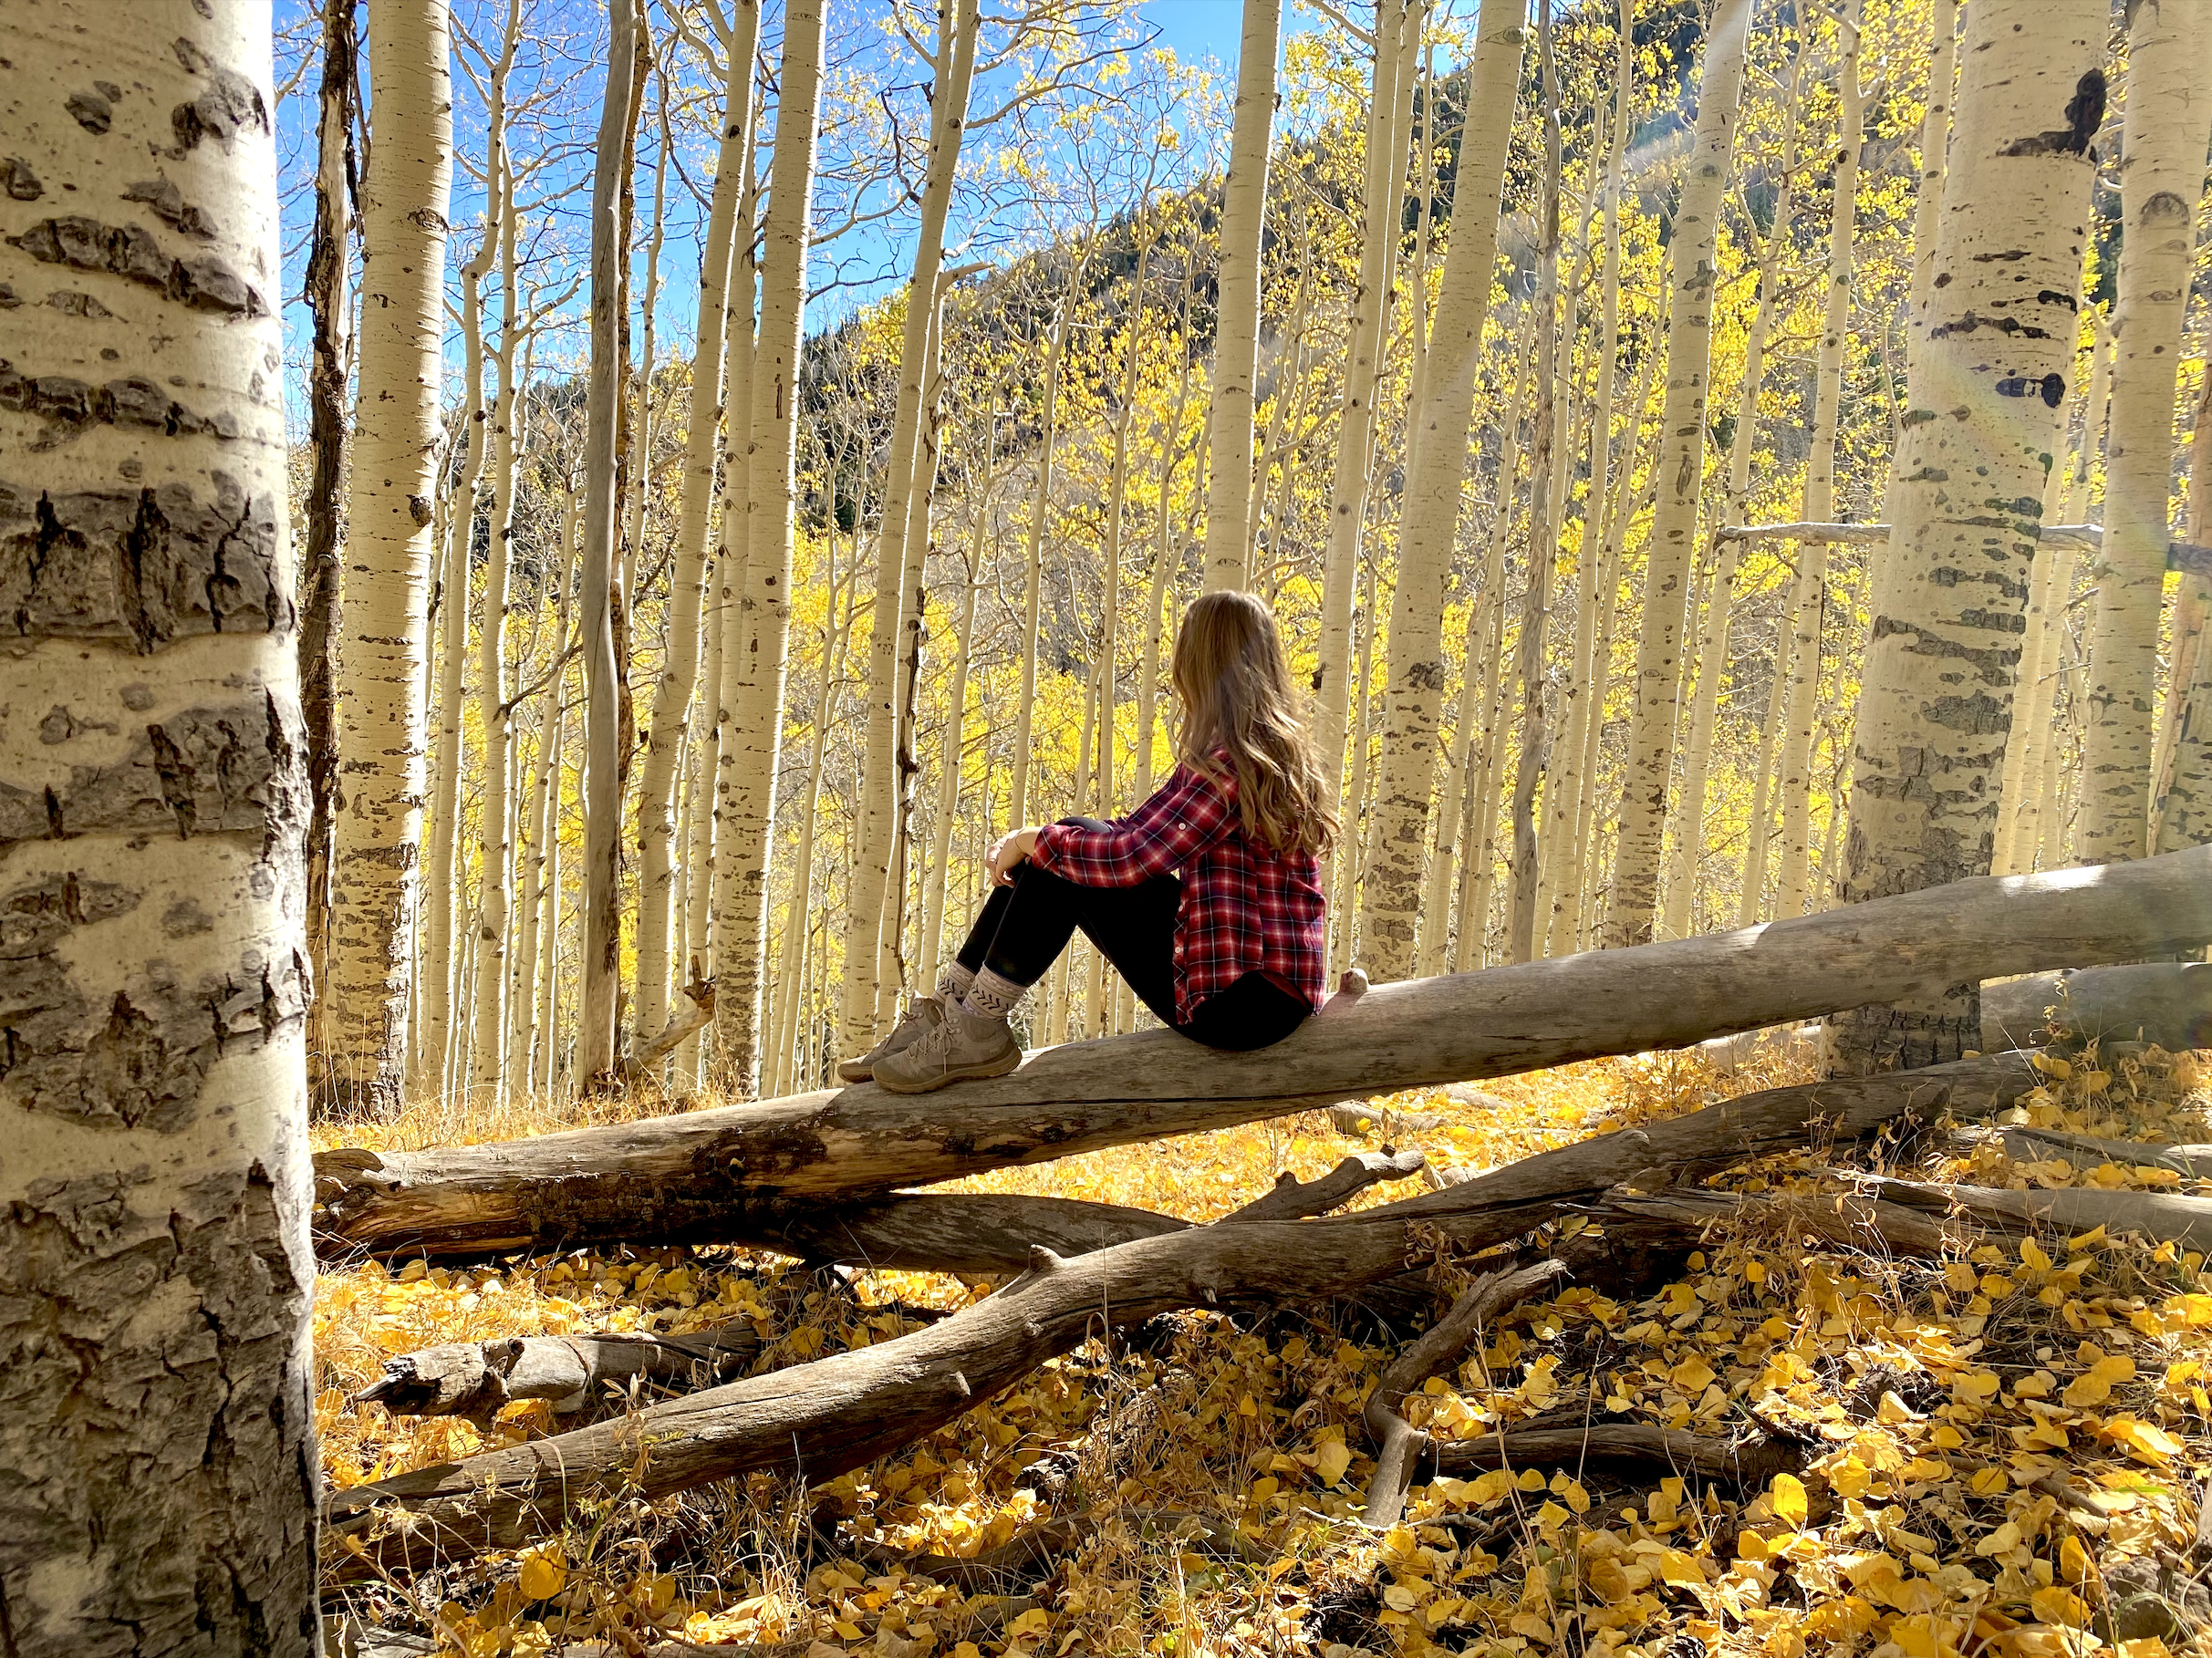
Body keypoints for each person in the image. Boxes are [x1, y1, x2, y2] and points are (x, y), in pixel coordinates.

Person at [845, 589, 1337, 1094]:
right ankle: (952, 1012)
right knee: (1071, 838)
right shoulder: (1248, 754)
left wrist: (1039, 843)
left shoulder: (1231, 767)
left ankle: (973, 1027)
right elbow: (1131, 831)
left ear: (1203, 665)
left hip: (1243, 1007)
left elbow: (1129, 860)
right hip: (1255, 991)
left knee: (1062, 859)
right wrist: (1031, 838)